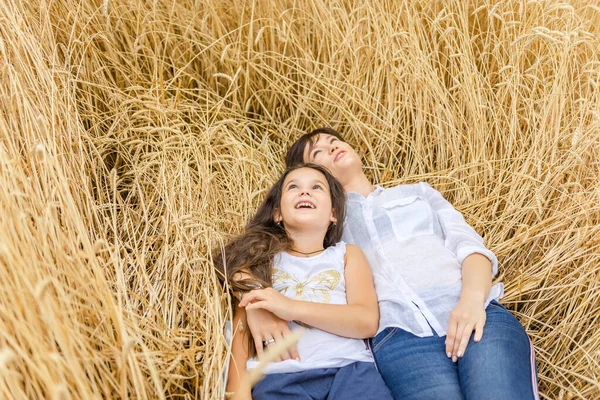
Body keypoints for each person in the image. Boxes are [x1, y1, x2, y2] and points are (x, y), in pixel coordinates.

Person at [243, 128, 540, 400]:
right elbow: (247, 254)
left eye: (334, 140)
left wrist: (472, 301)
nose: (331, 146)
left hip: (471, 310)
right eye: (317, 152)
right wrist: (255, 307)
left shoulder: (418, 194)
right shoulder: (322, 225)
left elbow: (471, 249)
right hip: (399, 339)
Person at [215, 163, 393, 400]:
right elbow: (241, 335)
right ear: (277, 213)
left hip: (351, 371)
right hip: (279, 378)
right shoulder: (260, 264)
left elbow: (366, 321)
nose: (305, 192)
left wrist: (290, 308)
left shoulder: (346, 254)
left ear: (334, 214)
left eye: (316, 187)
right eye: (293, 187)